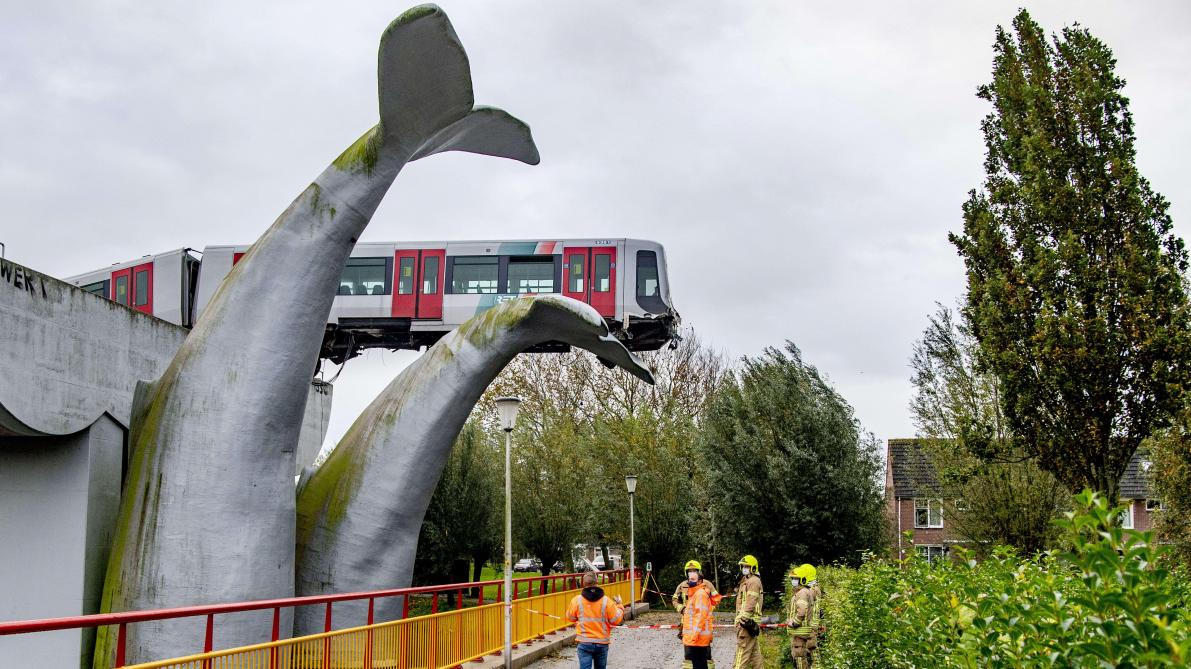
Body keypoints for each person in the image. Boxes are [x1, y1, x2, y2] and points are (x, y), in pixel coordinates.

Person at [565, 571, 625, 669]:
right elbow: (616, 620)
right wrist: (620, 606)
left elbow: (570, 617)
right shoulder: (606, 601)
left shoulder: (577, 600)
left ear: (584, 583)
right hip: (602, 642)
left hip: (584, 642)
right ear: (597, 583)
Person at [676, 560, 723, 669]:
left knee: (702, 658)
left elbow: (714, 601)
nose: (691, 576)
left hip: (698, 631)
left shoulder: (704, 588)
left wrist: (708, 609)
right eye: (689, 572)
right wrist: (682, 609)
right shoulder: (683, 586)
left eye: (694, 571)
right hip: (689, 624)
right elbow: (675, 600)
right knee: (691, 658)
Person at [785, 564, 820, 669]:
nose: (793, 581)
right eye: (793, 579)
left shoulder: (804, 592)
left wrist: (794, 623)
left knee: (800, 654)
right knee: (807, 652)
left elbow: (801, 611)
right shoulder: (807, 591)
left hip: (801, 629)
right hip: (805, 628)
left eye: (795, 579)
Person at [733, 555, 764, 669]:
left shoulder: (754, 581)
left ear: (753, 568)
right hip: (750, 622)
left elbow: (751, 601)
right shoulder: (748, 580)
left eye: (747, 566)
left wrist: (743, 619)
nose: (744, 568)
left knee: (741, 654)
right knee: (755, 655)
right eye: (743, 566)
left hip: (747, 623)